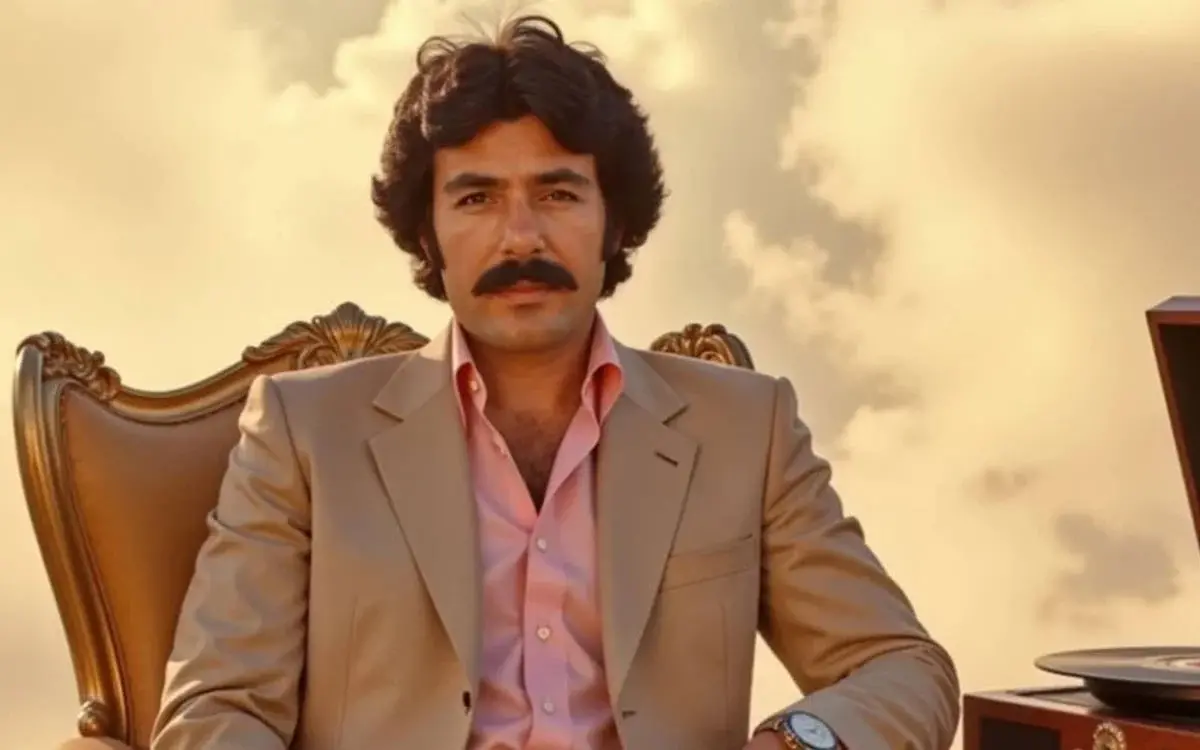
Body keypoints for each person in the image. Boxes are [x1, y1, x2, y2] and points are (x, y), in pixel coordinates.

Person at [151, 14, 959, 750]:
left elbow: (903, 667)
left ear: (615, 221)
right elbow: (215, 710)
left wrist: (796, 746)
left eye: (558, 192)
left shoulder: (746, 427)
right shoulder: (304, 431)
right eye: (476, 197)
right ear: (428, 233)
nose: (521, 236)